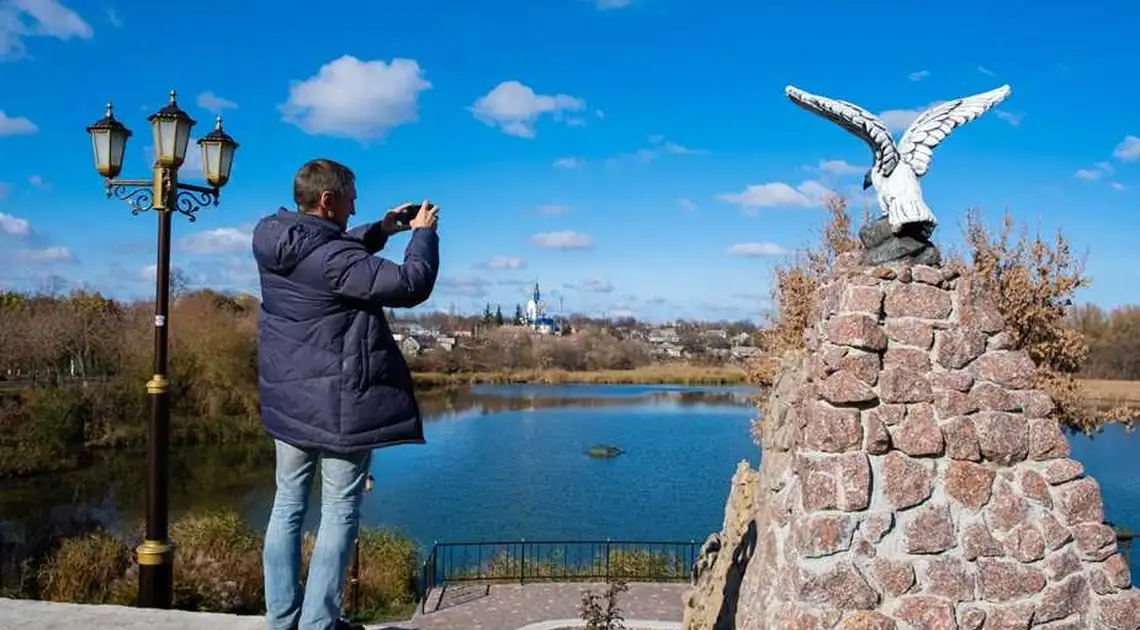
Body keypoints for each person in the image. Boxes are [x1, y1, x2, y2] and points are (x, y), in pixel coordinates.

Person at [250, 158, 440, 630]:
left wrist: (384, 227)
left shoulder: (275, 240)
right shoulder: (332, 258)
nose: (356, 205)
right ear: (326, 200)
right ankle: (318, 624)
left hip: (289, 401)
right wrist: (422, 234)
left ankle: (282, 618)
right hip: (339, 405)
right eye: (351, 197)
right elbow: (410, 284)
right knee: (338, 511)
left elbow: (332, 254)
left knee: (287, 505)